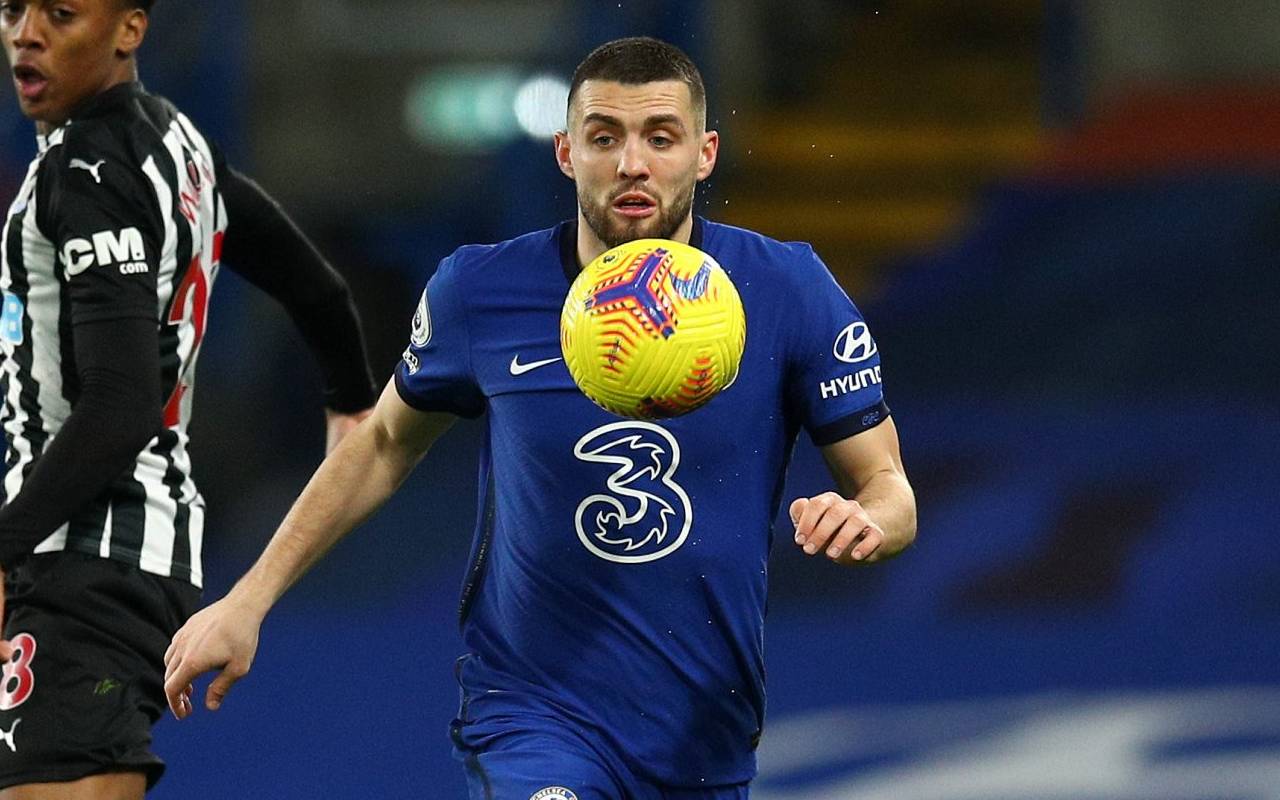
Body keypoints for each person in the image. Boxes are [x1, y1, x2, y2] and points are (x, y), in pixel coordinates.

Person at [164, 36, 917, 799]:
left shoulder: (788, 289)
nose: (632, 163)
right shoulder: (481, 291)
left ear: (705, 152)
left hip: (703, 731)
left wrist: (867, 522)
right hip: (531, 713)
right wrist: (247, 598)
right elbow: (385, 442)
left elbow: (888, 487)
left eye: (661, 137)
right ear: (564, 152)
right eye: (603, 137)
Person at [0, 1, 377, 797]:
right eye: (10, 10)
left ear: (130, 29)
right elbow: (320, 292)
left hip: (86, 560)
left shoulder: (87, 172)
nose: (25, 33)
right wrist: (349, 405)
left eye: (61, 14)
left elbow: (121, 401)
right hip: (123, 555)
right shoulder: (178, 143)